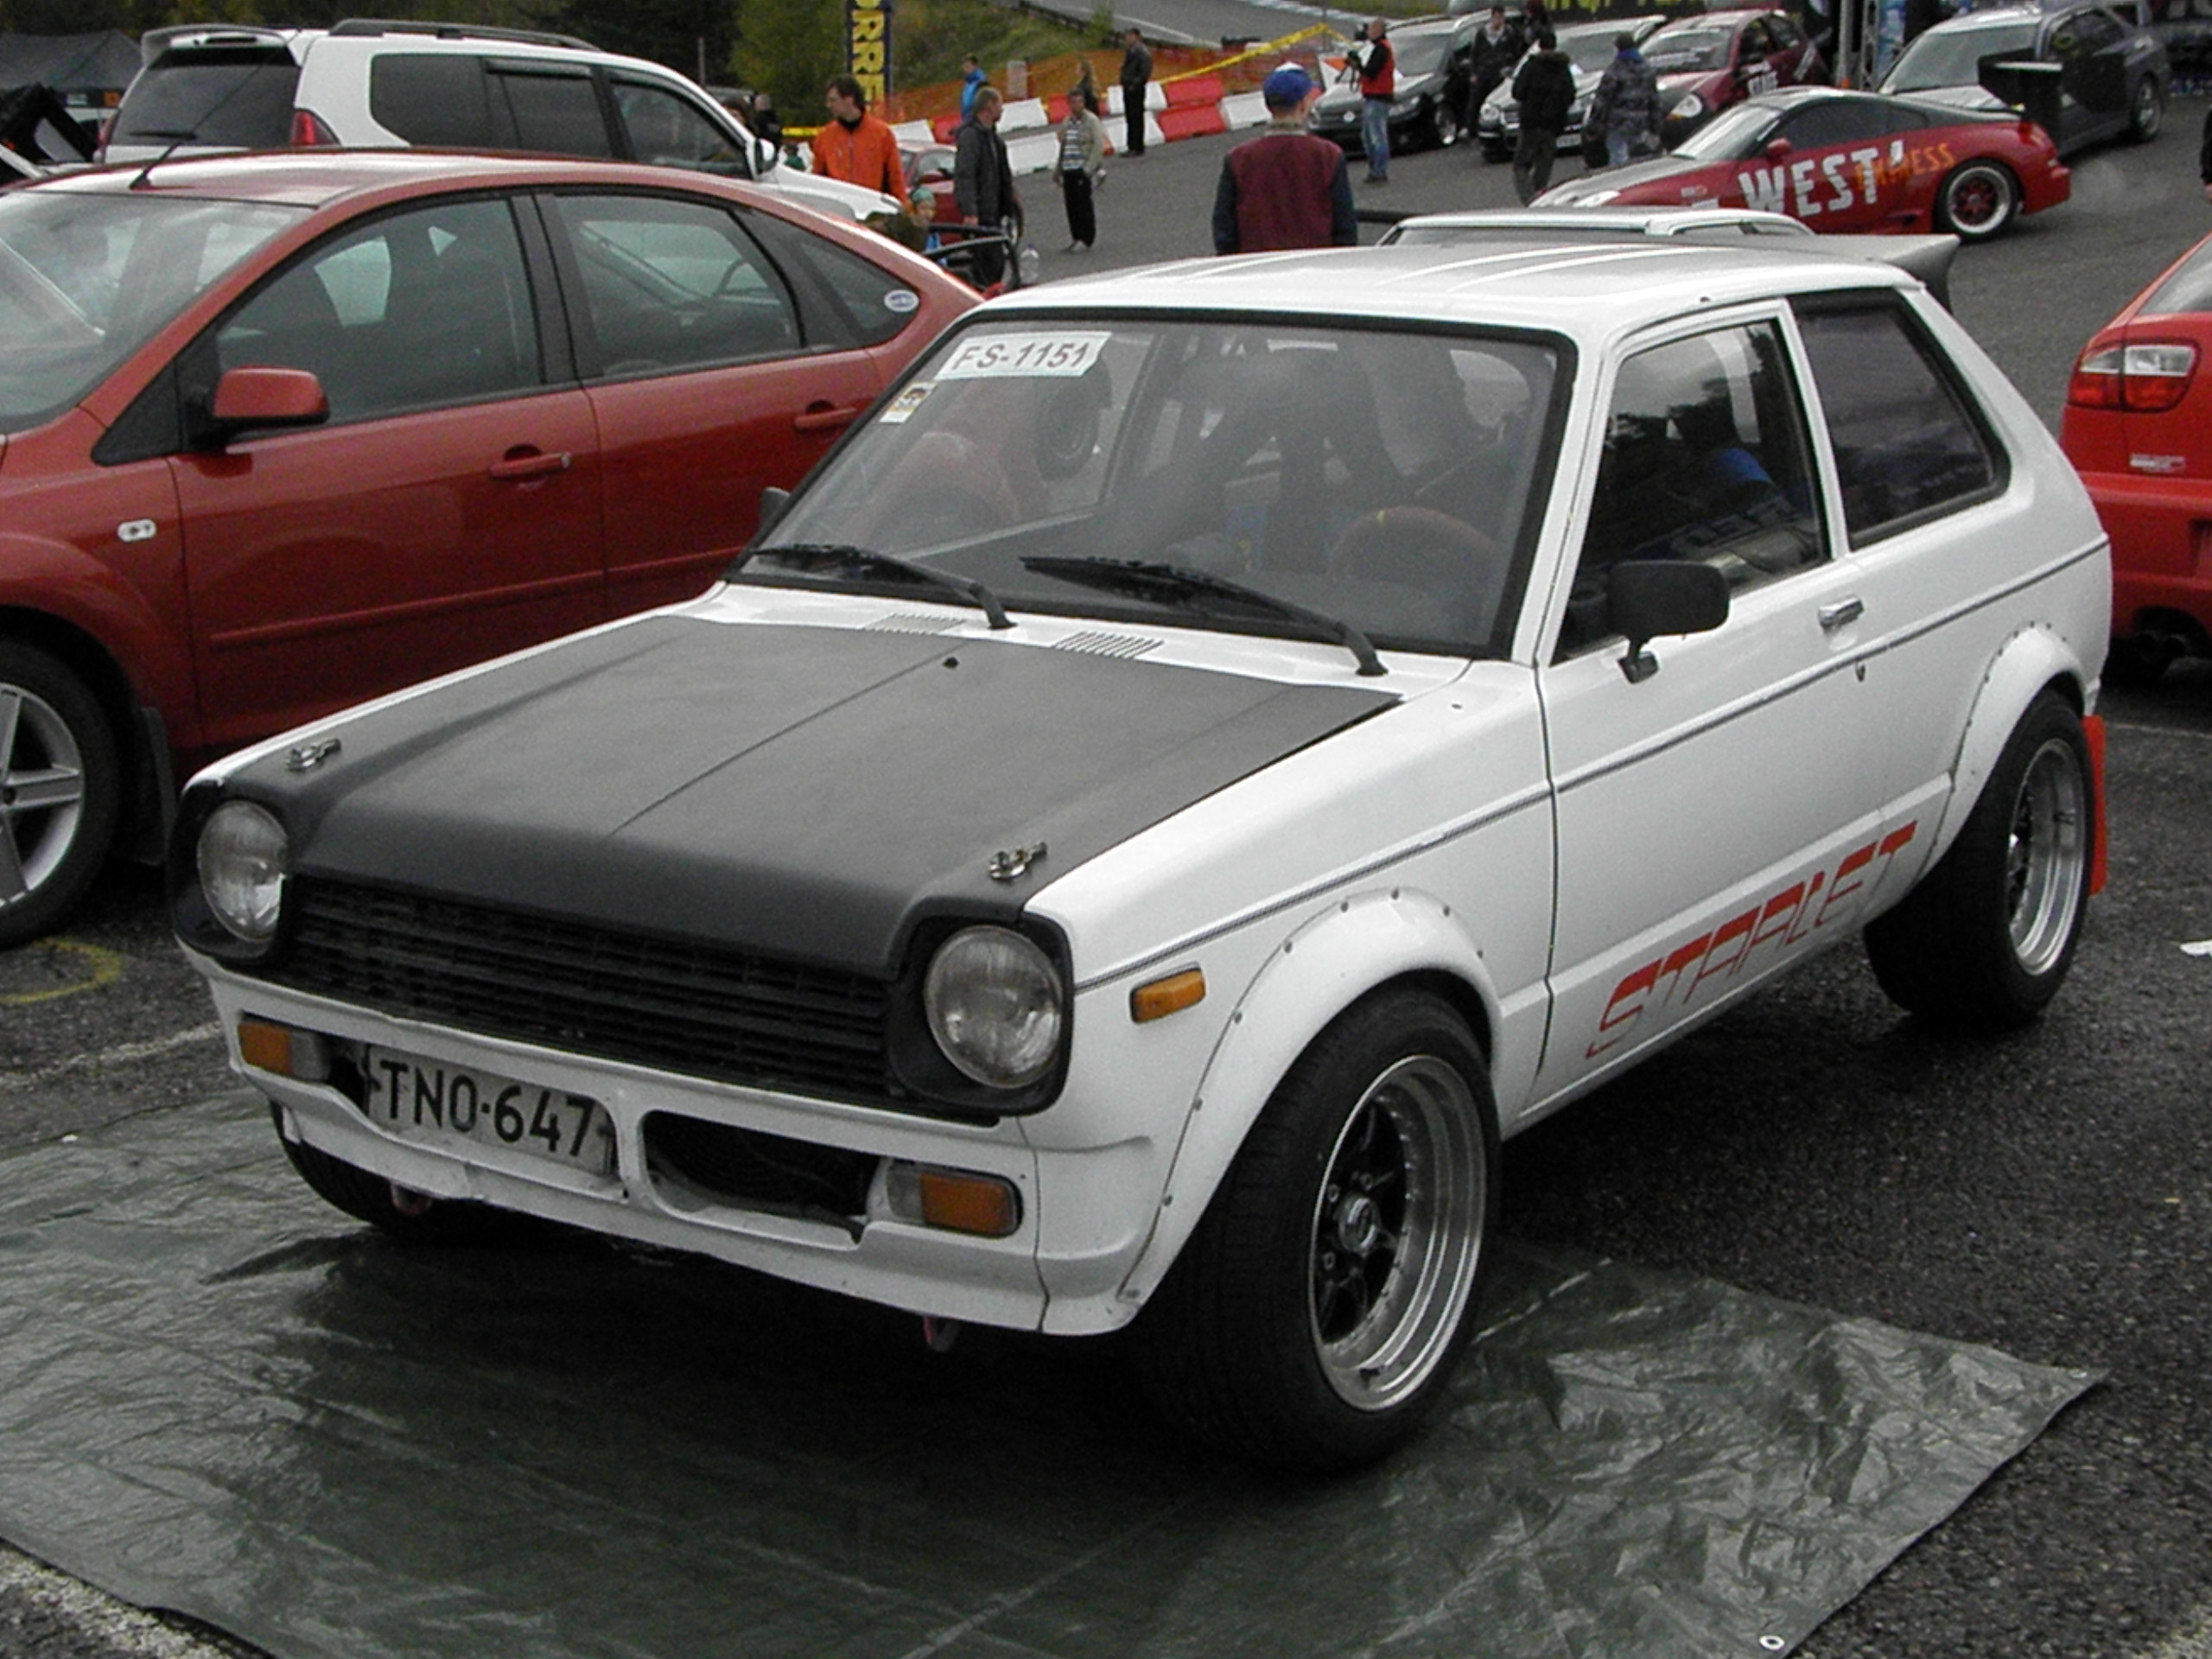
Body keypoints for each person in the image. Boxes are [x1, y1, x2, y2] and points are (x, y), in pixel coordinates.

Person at [1212, 65, 1357, 255]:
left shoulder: (1239, 158)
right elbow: (1345, 226)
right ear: (1303, 104)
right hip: (1315, 270)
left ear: (1268, 106)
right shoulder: (1328, 155)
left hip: (1258, 270)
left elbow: (1224, 228)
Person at [955, 86, 1021, 287]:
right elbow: (965, 176)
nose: (1002, 110)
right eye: (1000, 105)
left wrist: (1008, 207)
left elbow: (1001, 178)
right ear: (989, 106)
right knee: (986, 265)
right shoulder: (971, 137)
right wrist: (970, 212)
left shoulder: (994, 139)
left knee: (997, 264)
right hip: (981, 216)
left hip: (994, 215)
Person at [812, 74, 903, 199]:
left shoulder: (882, 134)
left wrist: (902, 207)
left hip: (871, 208)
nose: (828, 105)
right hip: (837, 208)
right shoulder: (825, 137)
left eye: (833, 100)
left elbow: (895, 177)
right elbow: (817, 179)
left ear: (849, 99)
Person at [1510, 28, 1573, 202]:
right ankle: (1540, 194)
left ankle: (1529, 198)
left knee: (1521, 165)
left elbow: (1518, 92)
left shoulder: (1531, 66)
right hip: (1552, 125)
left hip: (1530, 123)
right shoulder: (1562, 68)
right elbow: (1570, 95)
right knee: (1544, 164)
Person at [1586, 32, 1660, 168]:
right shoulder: (1647, 69)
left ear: (1618, 48)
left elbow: (1602, 99)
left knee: (1618, 157)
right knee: (1639, 158)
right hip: (1640, 121)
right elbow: (1654, 99)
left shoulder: (1615, 69)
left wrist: (1594, 123)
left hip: (1618, 122)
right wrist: (1655, 125)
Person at [1055, 90, 1106, 251]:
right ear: (1068, 104)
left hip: (1081, 168)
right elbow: (1063, 147)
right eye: (1074, 102)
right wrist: (1058, 169)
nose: (1077, 105)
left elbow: (1098, 145)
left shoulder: (1091, 121)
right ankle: (1076, 237)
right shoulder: (1067, 122)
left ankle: (1086, 238)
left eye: (1080, 102)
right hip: (1068, 169)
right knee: (1071, 206)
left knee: (1083, 205)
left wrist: (1088, 169)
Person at [1465, 6, 1525, 137]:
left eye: (1501, 18)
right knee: (1475, 100)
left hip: (1500, 72)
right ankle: (1471, 128)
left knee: (1497, 100)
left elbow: (1517, 52)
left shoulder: (1509, 33)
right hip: (1484, 71)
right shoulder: (1482, 34)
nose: (1499, 21)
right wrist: (1474, 73)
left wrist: (1511, 68)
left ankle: (1496, 127)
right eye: (1496, 18)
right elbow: (1474, 54)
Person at [1351, 16, 1395, 183]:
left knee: (1376, 136)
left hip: (1378, 97)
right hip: (1374, 96)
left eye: (1370, 29)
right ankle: (1376, 168)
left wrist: (1358, 66)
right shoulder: (1380, 48)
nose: (1367, 32)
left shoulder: (1381, 49)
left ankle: (1379, 170)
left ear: (1378, 30)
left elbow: (1371, 72)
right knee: (1369, 136)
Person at [1119, 29, 1153, 156]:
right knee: (1130, 117)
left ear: (1137, 37)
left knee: (1136, 116)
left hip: (1136, 89)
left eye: (1130, 36)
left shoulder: (1141, 52)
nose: (1127, 39)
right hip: (1128, 87)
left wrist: (1135, 84)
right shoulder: (1130, 51)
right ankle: (1131, 145)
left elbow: (1145, 71)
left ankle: (1137, 146)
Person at [959, 55, 988, 120]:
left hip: (978, 119)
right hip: (968, 119)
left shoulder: (981, 82)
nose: (965, 69)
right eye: (964, 67)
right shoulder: (967, 85)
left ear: (975, 66)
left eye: (968, 66)